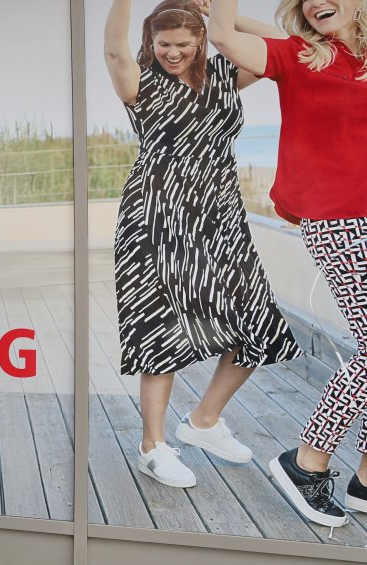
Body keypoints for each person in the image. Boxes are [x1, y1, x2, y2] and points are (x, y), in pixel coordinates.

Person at [103, 0, 301, 490]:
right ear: (150, 43)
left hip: (222, 216)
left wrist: (219, 17)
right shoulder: (141, 84)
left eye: (183, 44)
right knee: (161, 330)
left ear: (201, 41)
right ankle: (152, 446)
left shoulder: (225, 75)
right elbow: (114, 51)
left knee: (257, 323)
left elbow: (285, 45)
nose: (172, 53)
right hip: (158, 220)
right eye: (163, 44)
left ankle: (204, 421)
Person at [210, 0, 367, 528]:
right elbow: (227, 39)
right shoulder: (298, 57)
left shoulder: (355, 57)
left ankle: (366, 480)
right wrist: (221, 9)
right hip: (338, 220)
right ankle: (306, 462)